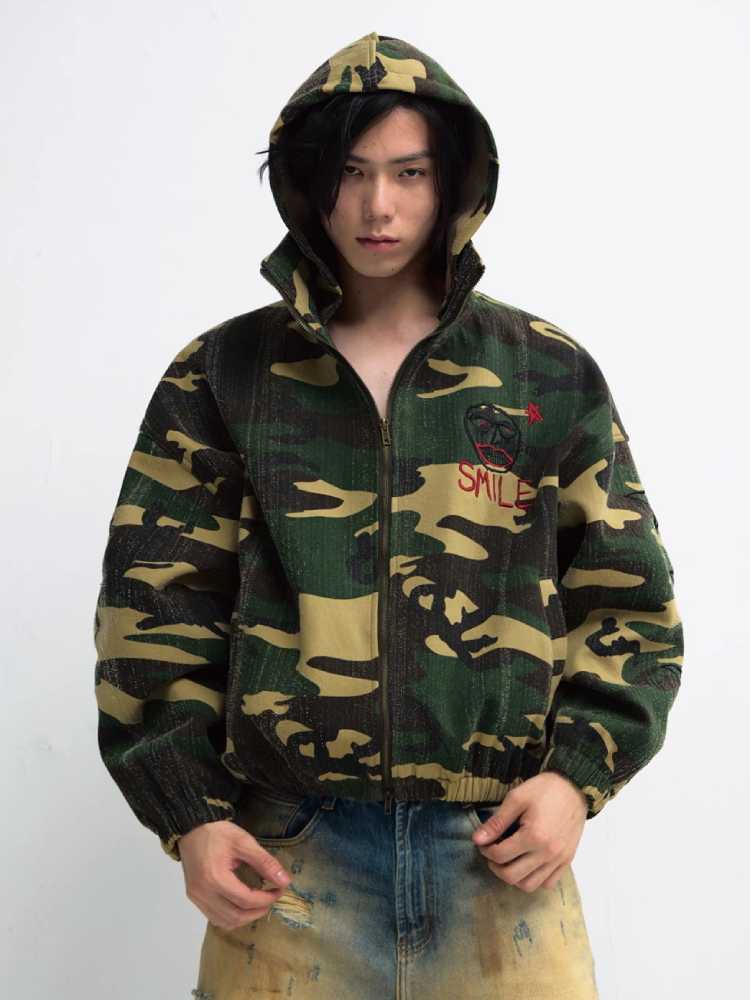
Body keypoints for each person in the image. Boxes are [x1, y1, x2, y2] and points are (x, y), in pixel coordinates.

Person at [93, 30, 684, 1000]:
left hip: (497, 852)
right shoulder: (224, 374)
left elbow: (628, 600)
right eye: (353, 172)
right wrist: (188, 811)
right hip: (289, 856)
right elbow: (154, 606)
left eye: (410, 172)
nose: (380, 206)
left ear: (453, 183)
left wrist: (576, 777)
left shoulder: (544, 372)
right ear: (308, 183)